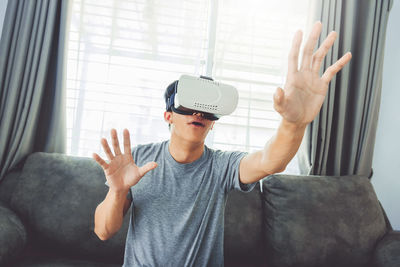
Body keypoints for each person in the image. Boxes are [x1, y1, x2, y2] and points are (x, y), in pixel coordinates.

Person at [92, 21, 352, 266]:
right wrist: (117, 191)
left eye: (207, 108)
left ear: (214, 121)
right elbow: (103, 231)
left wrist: (294, 124)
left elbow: (271, 160)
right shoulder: (138, 159)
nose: (198, 113)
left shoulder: (220, 166)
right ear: (168, 115)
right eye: (190, 104)